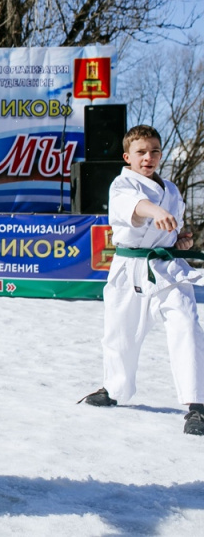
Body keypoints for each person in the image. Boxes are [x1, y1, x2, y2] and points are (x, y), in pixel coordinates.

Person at [79, 125, 204, 436]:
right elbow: (137, 209)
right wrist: (156, 211)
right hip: (130, 269)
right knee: (120, 332)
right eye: (141, 152)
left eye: (155, 151)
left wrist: (181, 241)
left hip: (168, 268)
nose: (148, 157)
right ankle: (113, 388)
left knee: (187, 325)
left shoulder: (172, 190)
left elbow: (171, 230)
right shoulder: (121, 185)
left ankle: (197, 405)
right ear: (128, 156)